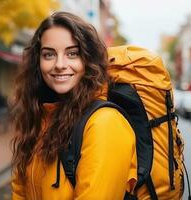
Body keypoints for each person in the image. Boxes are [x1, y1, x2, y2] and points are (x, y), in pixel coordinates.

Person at [10, 11, 137, 199]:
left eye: (72, 53)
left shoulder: (104, 123)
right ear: (38, 62)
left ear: (88, 60)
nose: (60, 64)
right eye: (49, 54)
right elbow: (20, 191)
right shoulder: (41, 117)